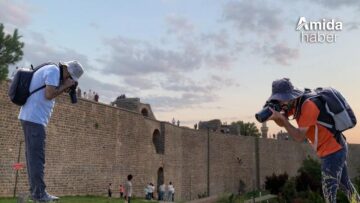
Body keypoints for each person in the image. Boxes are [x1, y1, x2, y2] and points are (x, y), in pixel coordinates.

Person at [267, 78, 360, 203]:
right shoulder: (294, 104)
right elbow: (282, 121)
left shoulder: (308, 106)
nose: (281, 102)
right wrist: (275, 116)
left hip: (333, 151)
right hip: (335, 147)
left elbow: (299, 137)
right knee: (345, 185)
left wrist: (283, 120)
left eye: (281, 99)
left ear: (290, 96)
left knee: (329, 192)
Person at [18, 60, 84, 202]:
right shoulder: (54, 71)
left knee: (33, 158)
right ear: (67, 70)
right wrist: (65, 86)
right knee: (37, 159)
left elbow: (48, 92)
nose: (70, 80)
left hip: (31, 118)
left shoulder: (53, 71)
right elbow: (49, 94)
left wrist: (62, 86)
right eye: (71, 77)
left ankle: (37, 193)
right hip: (34, 119)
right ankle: (40, 195)